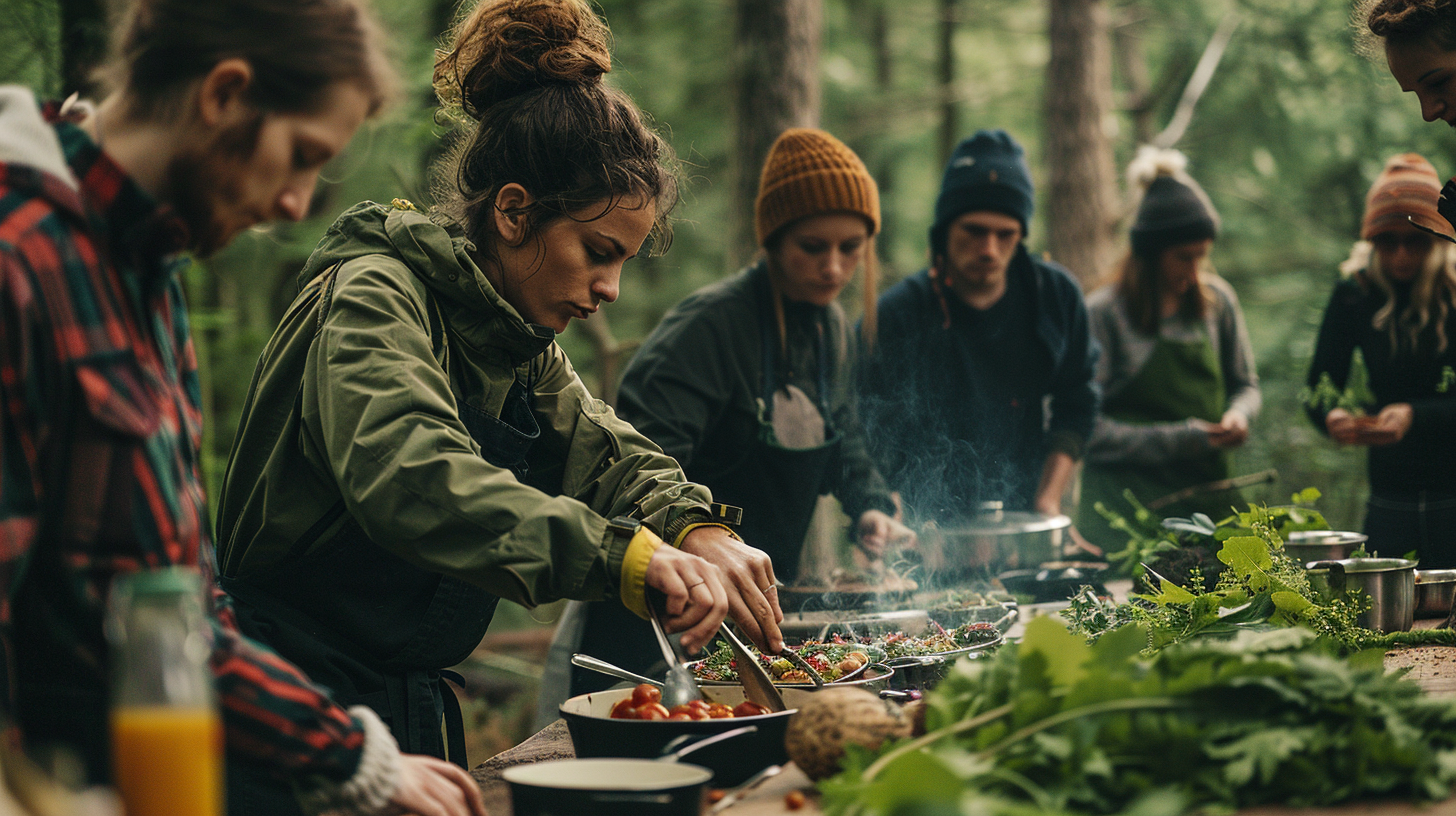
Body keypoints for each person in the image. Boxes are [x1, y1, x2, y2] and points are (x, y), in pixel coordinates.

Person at [212, 0, 781, 805]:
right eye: (597, 253)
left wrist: (698, 527)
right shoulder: (375, 297)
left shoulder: (515, 343)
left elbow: (608, 453)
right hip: (293, 713)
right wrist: (629, 558)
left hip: (406, 713)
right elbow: (417, 480)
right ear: (514, 212)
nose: (609, 290)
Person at [0, 1, 489, 815]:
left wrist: (341, 751)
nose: (299, 203)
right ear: (224, 94)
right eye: (301, 157)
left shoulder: (146, 271)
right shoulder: (21, 260)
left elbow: (183, 600)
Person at [542, 128, 911, 700]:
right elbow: (630, 470)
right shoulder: (709, 330)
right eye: (814, 247)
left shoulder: (834, 331)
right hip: (656, 619)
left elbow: (843, 440)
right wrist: (697, 537)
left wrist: (870, 504)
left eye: (851, 249)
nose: (834, 269)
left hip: (753, 621)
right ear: (773, 240)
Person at [859, 129, 1098, 540]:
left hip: (1023, 519)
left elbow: (1077, 402)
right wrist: (885, 513)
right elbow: (867, 427)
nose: (988, 248)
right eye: (973, 230)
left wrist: (1047, 504)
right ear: (945, 229)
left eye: (1004, 234)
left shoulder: (1055, 297)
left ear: (1021, 234)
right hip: (923, 530)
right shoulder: (896, 314)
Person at [1077, 148, 1260, 546]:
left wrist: (1238, 415)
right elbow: (1086, 430)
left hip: (1208, 510)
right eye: (1182, 258)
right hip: (1123, 518)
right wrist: (1183, 438)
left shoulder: (1218, 303)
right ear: (1150, 254)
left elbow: (1246, 385)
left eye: (1202, 256)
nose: (1195, 271)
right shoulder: (1104, 315)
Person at [1306, 153, 1456, 567]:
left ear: (1438, 237)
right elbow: (1318, 385)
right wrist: (1330, 415)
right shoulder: (1354, 293)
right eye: (1388, 242)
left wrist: (1415, 415)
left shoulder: (1454, 294)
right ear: (1371, 241)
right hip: (1389, 499)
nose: (1401, 256)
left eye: (1416, 241)